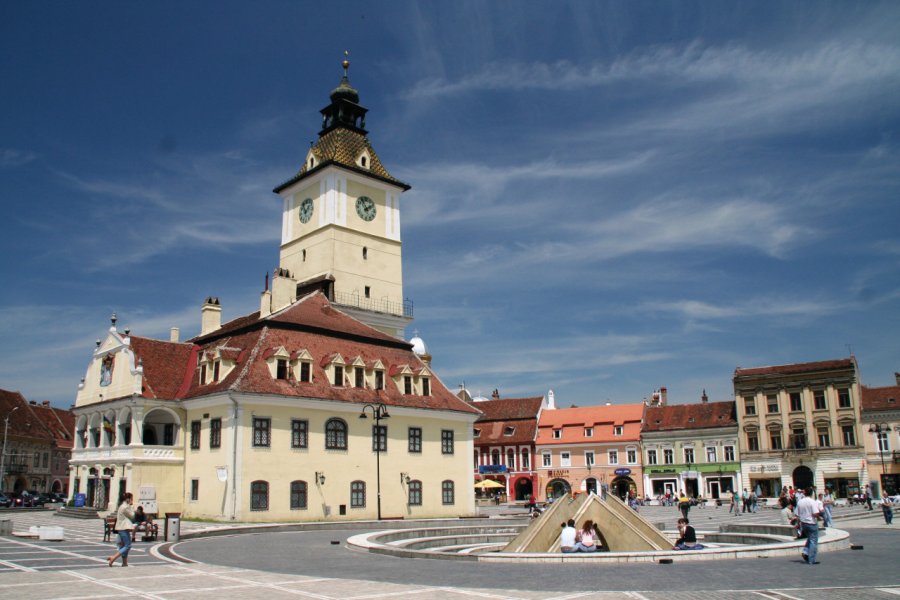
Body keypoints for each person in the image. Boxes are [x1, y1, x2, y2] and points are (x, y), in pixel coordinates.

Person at [107, 492, 135, 567]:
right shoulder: (125, 507)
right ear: (128, 499)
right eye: (131, 499)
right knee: (127, 546)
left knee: (124, 546)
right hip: (123, 528)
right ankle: (113, 557)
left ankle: (124, 563)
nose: (132, 500)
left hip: (121, 528)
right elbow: (132, 516)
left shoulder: (122, 506)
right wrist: (131, 506)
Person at [795, 486, 821, 565]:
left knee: (810, 538)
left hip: (803, 523)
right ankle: (811, 559)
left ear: (804, 493)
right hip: (811, 523)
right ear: (812, 493)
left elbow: (797, 514)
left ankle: (805, 552)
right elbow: (815, 513)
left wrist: (798, 524)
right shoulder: (812, 501)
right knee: (813, 541)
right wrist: (819, 517)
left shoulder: (800, 501)